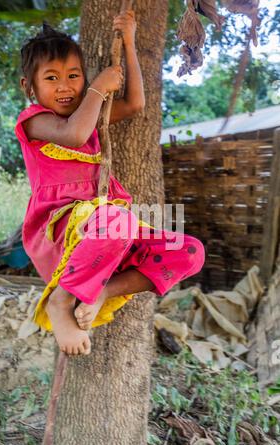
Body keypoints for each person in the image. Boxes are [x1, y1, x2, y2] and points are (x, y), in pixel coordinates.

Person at [15, 10, 205, 356]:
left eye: (74, 76)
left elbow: (134, 104)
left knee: (189, 252)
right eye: (52, 78)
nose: (65, 86)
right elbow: (74, 134)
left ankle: (100, 289)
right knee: (119, 221)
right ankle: (61, 301)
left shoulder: (90, 113)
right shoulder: (34, 121)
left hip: (105, 230)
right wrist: (97, 88)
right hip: (62, 227)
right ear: (29, 87)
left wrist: (129, 42)